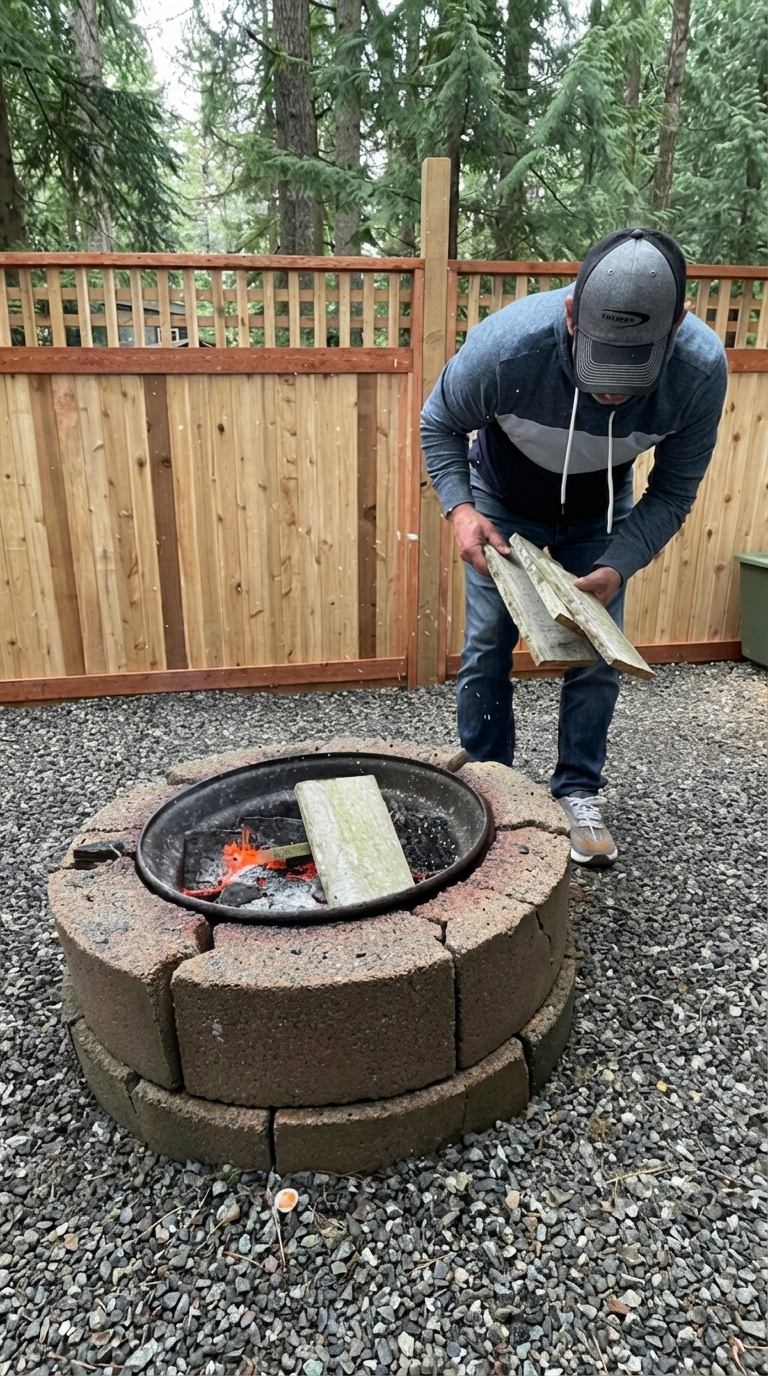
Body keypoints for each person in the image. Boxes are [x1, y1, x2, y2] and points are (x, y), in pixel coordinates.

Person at [420, 228, 728, 867]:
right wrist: (461, 509)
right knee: (486, 648)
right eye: (601, 365)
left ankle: (578, 790)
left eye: (633, 370)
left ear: (678, 326)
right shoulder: (507, 349)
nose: (612, 391)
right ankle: (491, 787)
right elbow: (439, 423)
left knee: (597, 655)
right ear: (570, 314)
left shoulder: (699, 373)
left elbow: (673, 492)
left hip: (601, 513)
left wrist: (619, 562)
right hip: (502, 498)